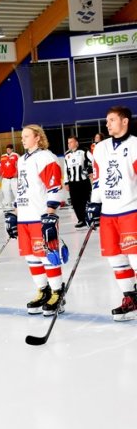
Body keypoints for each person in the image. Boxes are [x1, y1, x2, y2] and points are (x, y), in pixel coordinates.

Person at [4, 124, 64, 316]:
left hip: (40, 216)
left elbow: (55, 186)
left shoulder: (46, 157)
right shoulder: (21, 160)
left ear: (37, 137)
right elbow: (22, 189)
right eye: (22, 136)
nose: (22, 139)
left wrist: (50, 213)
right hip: (25, 217)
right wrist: (14, 212)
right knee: (31, 256)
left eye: (26, 136)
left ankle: (57, 292)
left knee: (46, 256)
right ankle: (43, 290)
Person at [86, 106, 137, 321]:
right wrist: (94, 203)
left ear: (124, 121)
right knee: (115, 258)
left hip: (130, 209)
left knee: (135, 257)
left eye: (112, 120)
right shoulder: (101, 147)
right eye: (107, 120)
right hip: (108, 213)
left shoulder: (135, 144)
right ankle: (130, 297)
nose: (107, 124)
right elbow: (97, 179)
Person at [64, 135, 92, 229]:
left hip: (83, 181)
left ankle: (89, 218)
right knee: (75, 203)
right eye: (68, 142)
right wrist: (66, 182)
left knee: (86, 201)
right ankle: (81, 220)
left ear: (76, 142)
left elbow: (93, 161)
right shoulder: (67, 154)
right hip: (72, 183)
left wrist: (90, 171)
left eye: (71, 142)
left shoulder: (84, 151)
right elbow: (65, 170)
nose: (69, 144)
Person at [0, 144, 19, 208]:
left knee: (16, 191)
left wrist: (17, 172)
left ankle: (18, 202)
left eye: (9, 149)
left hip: (14, 178)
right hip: (5, 178)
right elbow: (1, 166)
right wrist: (0, 172)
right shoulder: (3, 156)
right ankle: (7, 203)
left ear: (12, 149)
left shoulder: (16, 155)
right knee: (5, 191)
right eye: (7, 149)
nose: (8, 150)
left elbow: (19, 165)